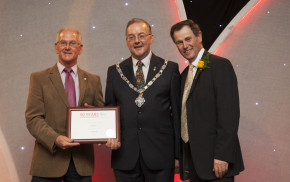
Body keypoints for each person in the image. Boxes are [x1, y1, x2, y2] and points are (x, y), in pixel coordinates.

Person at [105, 18, 181, 182]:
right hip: (125, 158)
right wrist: (108, 133)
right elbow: (109, 110)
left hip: (161, 156)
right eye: (131, 37)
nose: (137, 41)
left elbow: (177, 114)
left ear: (151, 38)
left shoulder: (169, 69)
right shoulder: (114, 72)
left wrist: (178, 155)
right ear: (126, 42)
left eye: (141, 35)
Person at [25, 27, 104, 182]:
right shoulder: (39, 78)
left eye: (73, 43)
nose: (67, 47)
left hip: (81, 162)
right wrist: (55, 138)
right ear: (56, 47)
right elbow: (33, 119)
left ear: (80, 49)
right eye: (63, 42)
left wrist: (100, 126)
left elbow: (101, 114)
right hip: (48, 160)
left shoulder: (93, 80)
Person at [170, 19, 244, 182]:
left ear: (199, 37)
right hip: (193, 163)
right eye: (179, 42)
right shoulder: (183, 76)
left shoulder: (220, 66)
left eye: (188, 39)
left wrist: (222, 155)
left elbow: (229, 114)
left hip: (216, 163)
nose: (185, 45)